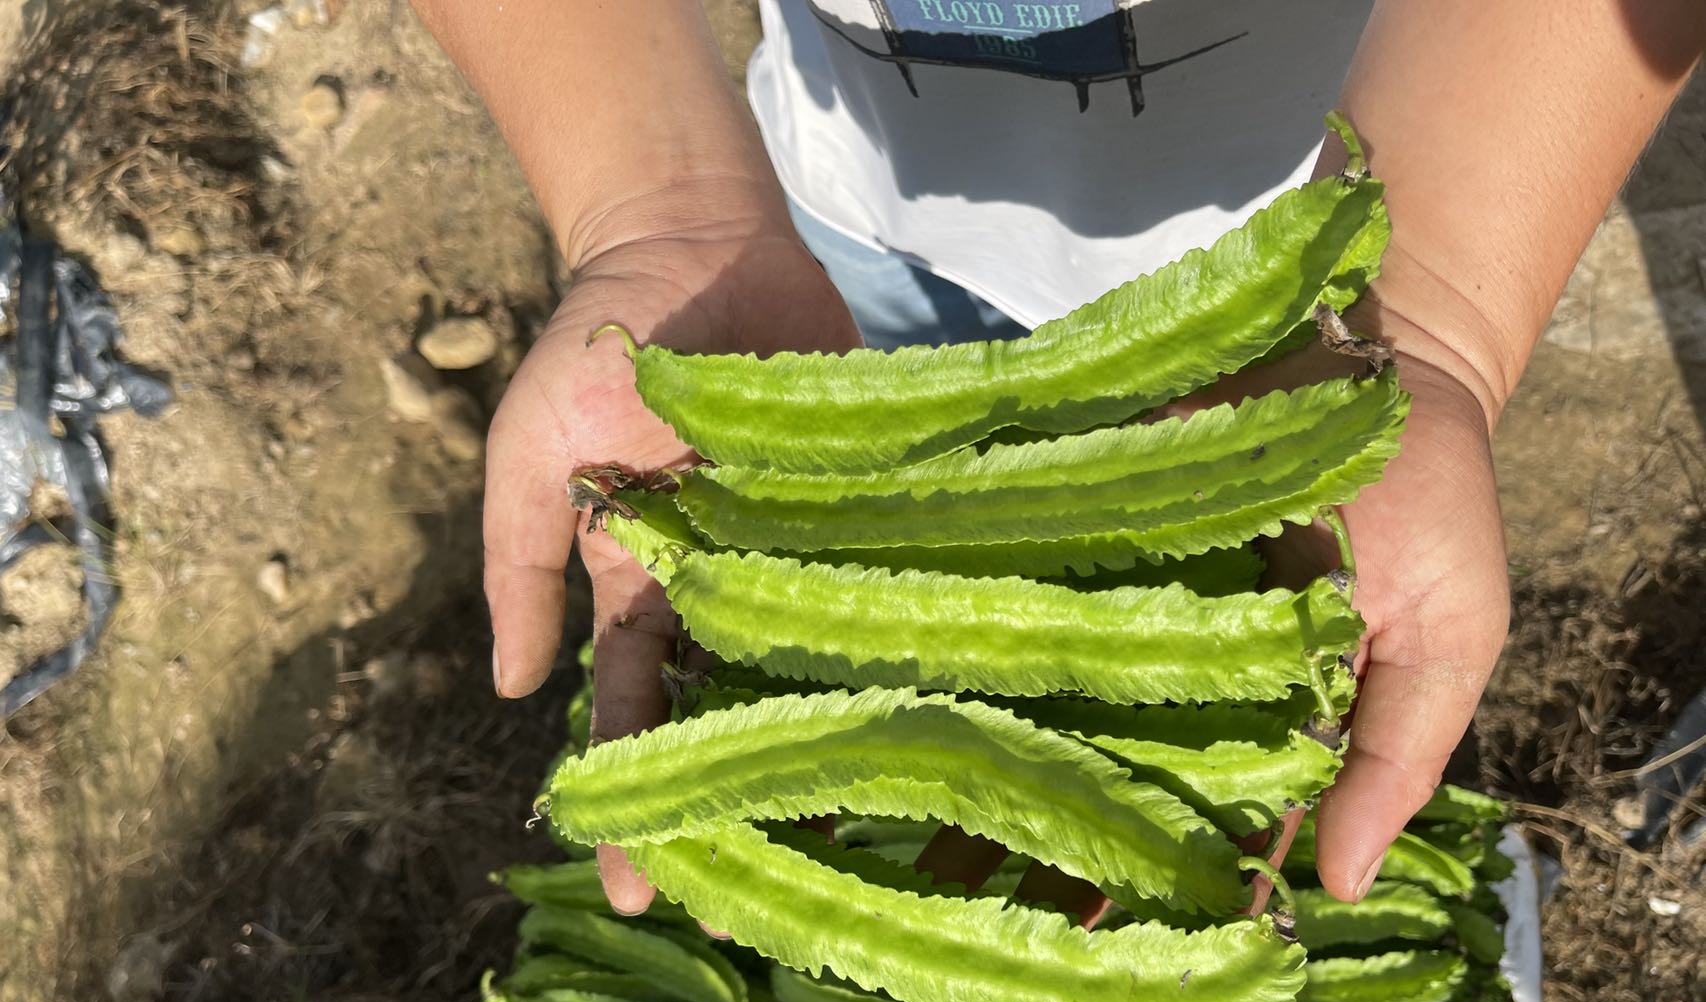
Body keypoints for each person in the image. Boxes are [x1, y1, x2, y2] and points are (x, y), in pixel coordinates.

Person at [410, 0, 1706, 914]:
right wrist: (660, 206)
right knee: (929, 457)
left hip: (1291, 253)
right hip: (853, 189)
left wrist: (1423, 313)